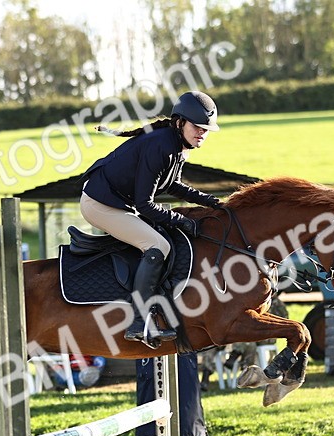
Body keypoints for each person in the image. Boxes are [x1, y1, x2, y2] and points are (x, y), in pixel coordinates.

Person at [80, 90, 225, 347]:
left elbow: (173, 186)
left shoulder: (175, 146)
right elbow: (145, 204)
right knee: (158, 245)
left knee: (167, 239)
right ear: (180, 123)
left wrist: (212, 202)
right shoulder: (161, 146)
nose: (203, 133)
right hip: (99, 204)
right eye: (198, 127)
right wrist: (180, 220)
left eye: (206, 129)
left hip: (118, 203)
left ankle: (158, 312)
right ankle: (138, 321)